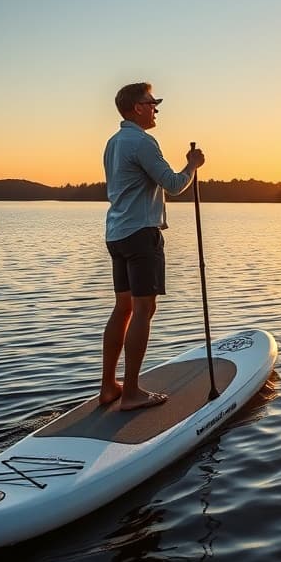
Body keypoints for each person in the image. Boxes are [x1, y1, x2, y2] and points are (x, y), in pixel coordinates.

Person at [101, 82, 205, 411]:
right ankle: (130, 392)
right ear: (136, 108)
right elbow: (173, 185)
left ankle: (109, 387)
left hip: (116, 234)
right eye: (151, 102)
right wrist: (192, 165)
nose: (156, 108)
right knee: (144, 310)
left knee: (124, 308)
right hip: (141, 234)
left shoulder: (113, 142)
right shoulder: (143, 142)